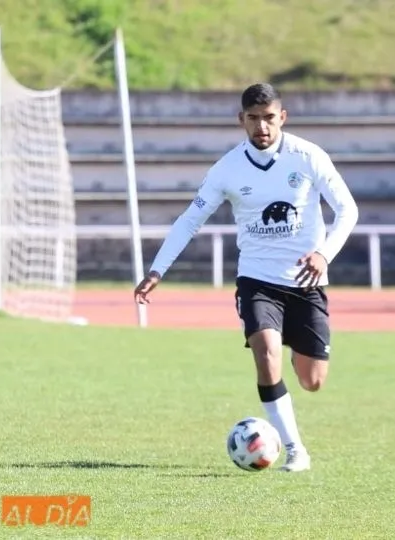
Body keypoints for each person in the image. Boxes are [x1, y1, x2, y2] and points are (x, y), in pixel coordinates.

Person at [133, 83, 359, 472]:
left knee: (312, 380)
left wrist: (324, 254)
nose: (262, 127)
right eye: (253, 119)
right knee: (266, 353)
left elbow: (348, 210)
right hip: (257, 280)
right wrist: (157, 268)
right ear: (241, 120)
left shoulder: (308, 156)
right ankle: (294, 449)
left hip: (306, 282)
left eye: (269, 118)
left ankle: (294, 347)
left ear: (282, 117)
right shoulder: (227, 169)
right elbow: (190, 220)